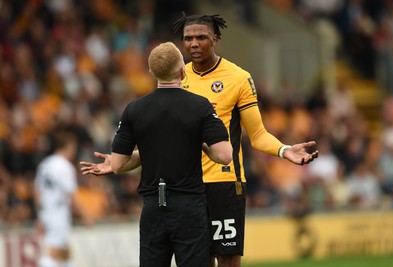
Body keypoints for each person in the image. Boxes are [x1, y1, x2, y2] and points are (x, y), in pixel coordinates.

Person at [81, 14, 318, 267]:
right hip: (184, 189)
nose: (194, 43)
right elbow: (168, 144)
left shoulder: (238, 78)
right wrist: (124, 161)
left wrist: (284, 150)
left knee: (227, 261)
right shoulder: (175, 77)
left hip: (223, 183)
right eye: (188, 38)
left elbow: (257, 135)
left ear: (215, 39)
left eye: (201, 37)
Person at [93, 41, 232, 266]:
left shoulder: (134, 109)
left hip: (153, 208)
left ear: (151, 72)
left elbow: (118, 165)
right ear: (183, 70)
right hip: (189, 207)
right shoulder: (200, 106)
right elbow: (224, 155)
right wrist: (199, 145)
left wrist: (137, 155)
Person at [34, 129, 92, 267]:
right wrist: (85, 215)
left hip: (46, 211)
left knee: (65, 252)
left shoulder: (45, 164)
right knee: (53, 253)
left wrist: (40, 215)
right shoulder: (65, 167)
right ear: (69, 146)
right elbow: (72, 194)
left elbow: (37, 191)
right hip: (58, 212)